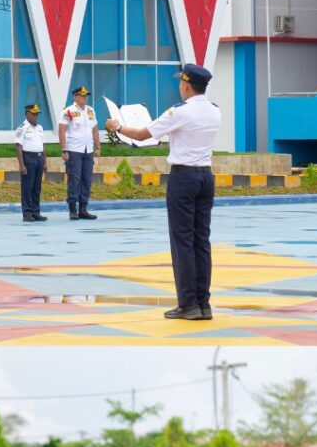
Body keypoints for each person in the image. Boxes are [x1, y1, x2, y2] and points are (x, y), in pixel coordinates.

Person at [105, 64, 221, 321]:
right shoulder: (214, 111)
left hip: (184, 177)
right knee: (201, 241)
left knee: (183, 242)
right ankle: (203, 303)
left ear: (187, 85)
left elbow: (143, 134)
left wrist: (117, 127)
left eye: (181, 83)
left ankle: (188, 303)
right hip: (205, 176)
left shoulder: (180, 112)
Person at [59, 86, 100, 221]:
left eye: (86, 95)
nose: (85, 98)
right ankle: (72, 209)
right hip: (74, 150)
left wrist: (98, 147)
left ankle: (83, 208)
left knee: (87, 179)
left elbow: (95, 130)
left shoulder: (90, 110)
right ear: (75, 96)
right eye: (82, 95)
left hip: (87, 150)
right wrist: (64, 149)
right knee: (74, 179)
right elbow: (62, 131)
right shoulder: (68, 111)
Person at [15, 104, 48, 223]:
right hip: (28, 158)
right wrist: (21, 164)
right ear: (26, 113)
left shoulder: (39, 127)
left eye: (37, 114)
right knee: (27, 187)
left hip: (39, 158)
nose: (36, 116)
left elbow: (43, 145)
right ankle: (27, 213)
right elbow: (18, 146)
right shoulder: (22, 128)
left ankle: (35, 212)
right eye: (33, 114)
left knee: (37, 187)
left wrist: (45, 161)